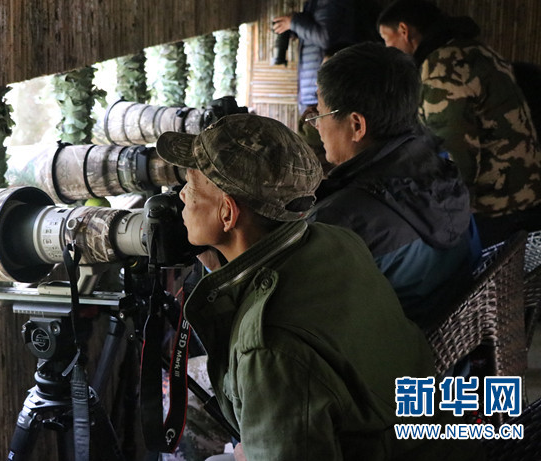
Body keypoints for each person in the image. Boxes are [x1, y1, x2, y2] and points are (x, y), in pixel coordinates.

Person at [156, 114, 481, 460]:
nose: (181, 197)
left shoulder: (268, 346)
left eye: (191, 186)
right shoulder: (335, 240)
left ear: (227, 214)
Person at [310, 42, 478, 329]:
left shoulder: (342, 221)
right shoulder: (441, 168)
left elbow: (296, 310)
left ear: (357, 125)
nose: (315, 124)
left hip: (385, 359)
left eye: (320, 113)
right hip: (444, 342)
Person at [377, 0, 541, 246]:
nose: (390, 50)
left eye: (388, 42)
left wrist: (444, 221)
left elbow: (454, 155)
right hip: (524, 192)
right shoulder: (478, 50)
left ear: (404, 30)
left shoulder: (442, 66)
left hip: (494, 208)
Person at [273, 0, 355, 115]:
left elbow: (326, 37)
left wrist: (294, 22)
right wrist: (297, 30)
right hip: (318, 98)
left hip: (328, 100)